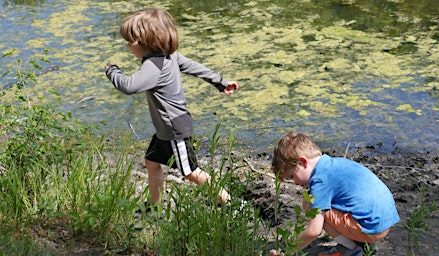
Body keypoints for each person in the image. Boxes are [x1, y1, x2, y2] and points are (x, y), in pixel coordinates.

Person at [104, 8, 238, 207]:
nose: (128, 45)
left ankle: (232, 204)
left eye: (130, 40)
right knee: (151, 162)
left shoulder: (153, 66)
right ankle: (154, 207)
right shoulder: (169, 56)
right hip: (165, 129)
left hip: (174, 128)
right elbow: (195, 67)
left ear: (145, 41)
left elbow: (129, 86)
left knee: (190, 172)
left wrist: (112, 70)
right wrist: (220, 82)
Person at [270, 131, 400, 256]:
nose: (295, 183)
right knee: (311, 202)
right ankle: (365, 244)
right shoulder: (335, 163)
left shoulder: (320, 181)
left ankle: (351, 249)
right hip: (384, 222)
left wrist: (287, 252)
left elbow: (313, 231)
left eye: (292, 176)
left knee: (313, 208)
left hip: (372, 230)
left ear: (303, 162)